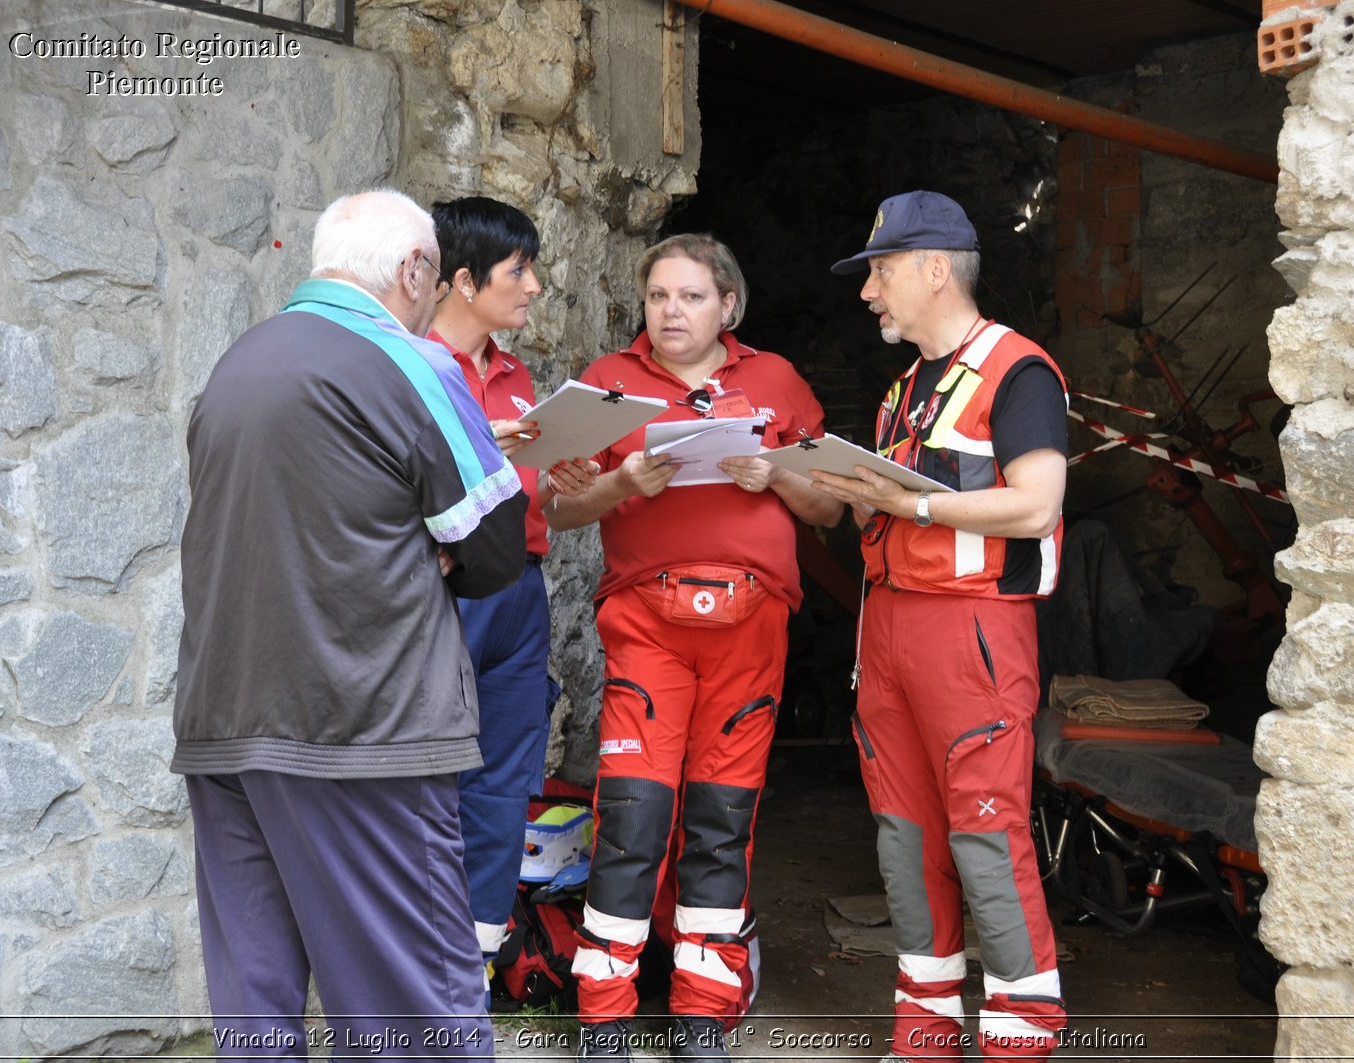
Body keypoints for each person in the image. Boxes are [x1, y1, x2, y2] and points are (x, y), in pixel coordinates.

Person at [173, 188, 526, 1059]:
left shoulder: (237, 363)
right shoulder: (412, 363)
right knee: (414, 1007)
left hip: (223, 720)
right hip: (362, 725)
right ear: (413, 270)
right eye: (434, 278)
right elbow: (494, 549)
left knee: (255, 1006)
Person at [545, 234, 844, 1062]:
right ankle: (602, 1013)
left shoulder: (775, 381)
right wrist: (618, 485)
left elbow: (830, 510)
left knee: (722, 816)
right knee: (633, 814)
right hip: (647, 623)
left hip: (751, 627)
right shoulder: (607, 385)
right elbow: (558, 509)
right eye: (657, 297)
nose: (670, 312)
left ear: (728, 307)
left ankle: (702, 1011)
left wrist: (774, 475)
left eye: (689, 296)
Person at [810, 191, 1070, 1061]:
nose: (867, 292)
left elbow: (1037, 506)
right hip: (887, 630)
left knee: (985, 838)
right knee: (906, 838)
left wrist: (912, 500)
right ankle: (923, 1040)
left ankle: (1019, 1045)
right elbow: (885, 510)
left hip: (974, 633)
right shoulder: (902, 388)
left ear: (933, 268)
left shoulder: (1018, 370)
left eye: (879, 272)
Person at [426, 196, 599, 966]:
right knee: (428, 777)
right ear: (464, 280)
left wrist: (562, 484)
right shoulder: (413, 365)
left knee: (504, 781)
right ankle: (414, 962)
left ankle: (479, 960)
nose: (533, 286)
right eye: (518, 270)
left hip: (522, 592)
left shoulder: (519, 371)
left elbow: (538, 511)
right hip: (446, 592)